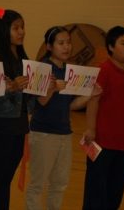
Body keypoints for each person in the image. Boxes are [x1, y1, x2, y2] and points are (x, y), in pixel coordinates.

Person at [25, 26, 101, 210]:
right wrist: (53, 87)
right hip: (43, 134)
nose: (66, 47)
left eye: (68, 42)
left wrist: (90, 95)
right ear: (49, 47)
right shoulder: (42, 69)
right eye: (61, 43)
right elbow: (41, 102)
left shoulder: (69, 70)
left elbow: (70, 105)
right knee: (37, 185)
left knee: (59, 185)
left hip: (65, 133)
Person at [82, 26, 124, 210]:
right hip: (102, 143)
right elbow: (93, 101)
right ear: (111, 47)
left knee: (115, 191)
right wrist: (91, 128)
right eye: (123, 43)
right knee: (95, 192)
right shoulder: (103, 70)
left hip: (123, 144)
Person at [0, 9, 30, 210]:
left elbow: (28, 98)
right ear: (4, 30)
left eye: (22, 27)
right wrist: (10, 89)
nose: (21, 32)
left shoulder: (22, 59)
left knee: (5, 179)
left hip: (19, 125)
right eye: (16, 28)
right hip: (2, 126)